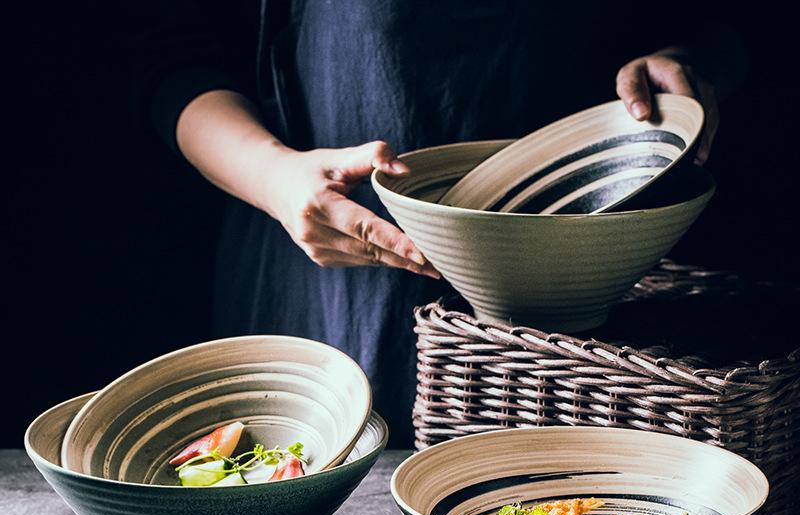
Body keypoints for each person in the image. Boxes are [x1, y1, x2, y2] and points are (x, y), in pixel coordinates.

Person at [132, 1, 744, 446]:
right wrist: (272, 176)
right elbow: (175, 53)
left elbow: (731, 21)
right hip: (329, 281)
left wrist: (688, 64)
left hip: (598, 303)